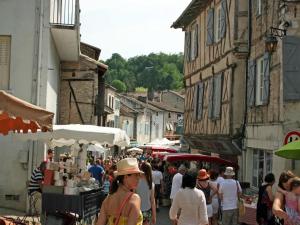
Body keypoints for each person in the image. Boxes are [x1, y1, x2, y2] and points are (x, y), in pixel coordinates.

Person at [97, 158, 143, 225]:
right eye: (136, 175)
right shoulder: (135, 198)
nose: (139, 178)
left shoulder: (108, 199)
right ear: (126, 176)